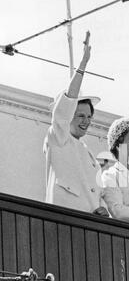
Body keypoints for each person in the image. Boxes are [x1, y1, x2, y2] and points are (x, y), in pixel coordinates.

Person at [43, 31, 108, 216]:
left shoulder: (89, 155)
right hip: (64, 218)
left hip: (88, 223)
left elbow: (97, 191)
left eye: (89, 117)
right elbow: (65, 106)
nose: (86, 122)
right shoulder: (58, 137)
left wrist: (101, 208)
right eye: (80, 116)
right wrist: (82, 65)